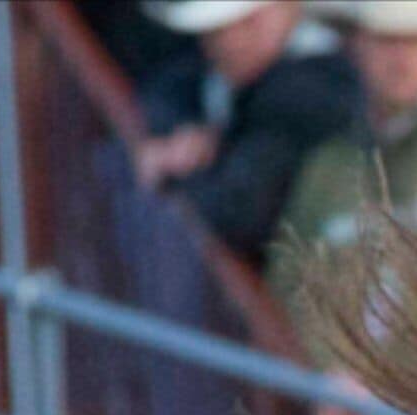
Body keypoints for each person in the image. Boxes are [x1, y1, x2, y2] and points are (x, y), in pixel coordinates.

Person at [134, 0, 366, 256]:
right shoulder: (243, 75)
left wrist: (178, 172)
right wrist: (182, 133)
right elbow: (170, 87)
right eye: (214, 32)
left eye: (247, 23)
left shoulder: (311, 92)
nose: (224, 43)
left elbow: (239, 213)